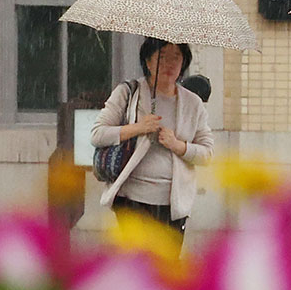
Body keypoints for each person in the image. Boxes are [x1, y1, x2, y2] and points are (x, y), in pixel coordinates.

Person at [91, 39, 215, 252]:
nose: (170, 64)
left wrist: (178, 146)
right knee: (136, 267)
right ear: (148, 61)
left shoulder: (192, 103)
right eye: (162, 57)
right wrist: (138, 128)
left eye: (176, 57)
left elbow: (207, 153)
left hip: (173, 205)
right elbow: (98, 134)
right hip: (131, 200)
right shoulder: (128, 92)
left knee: (166, 271)